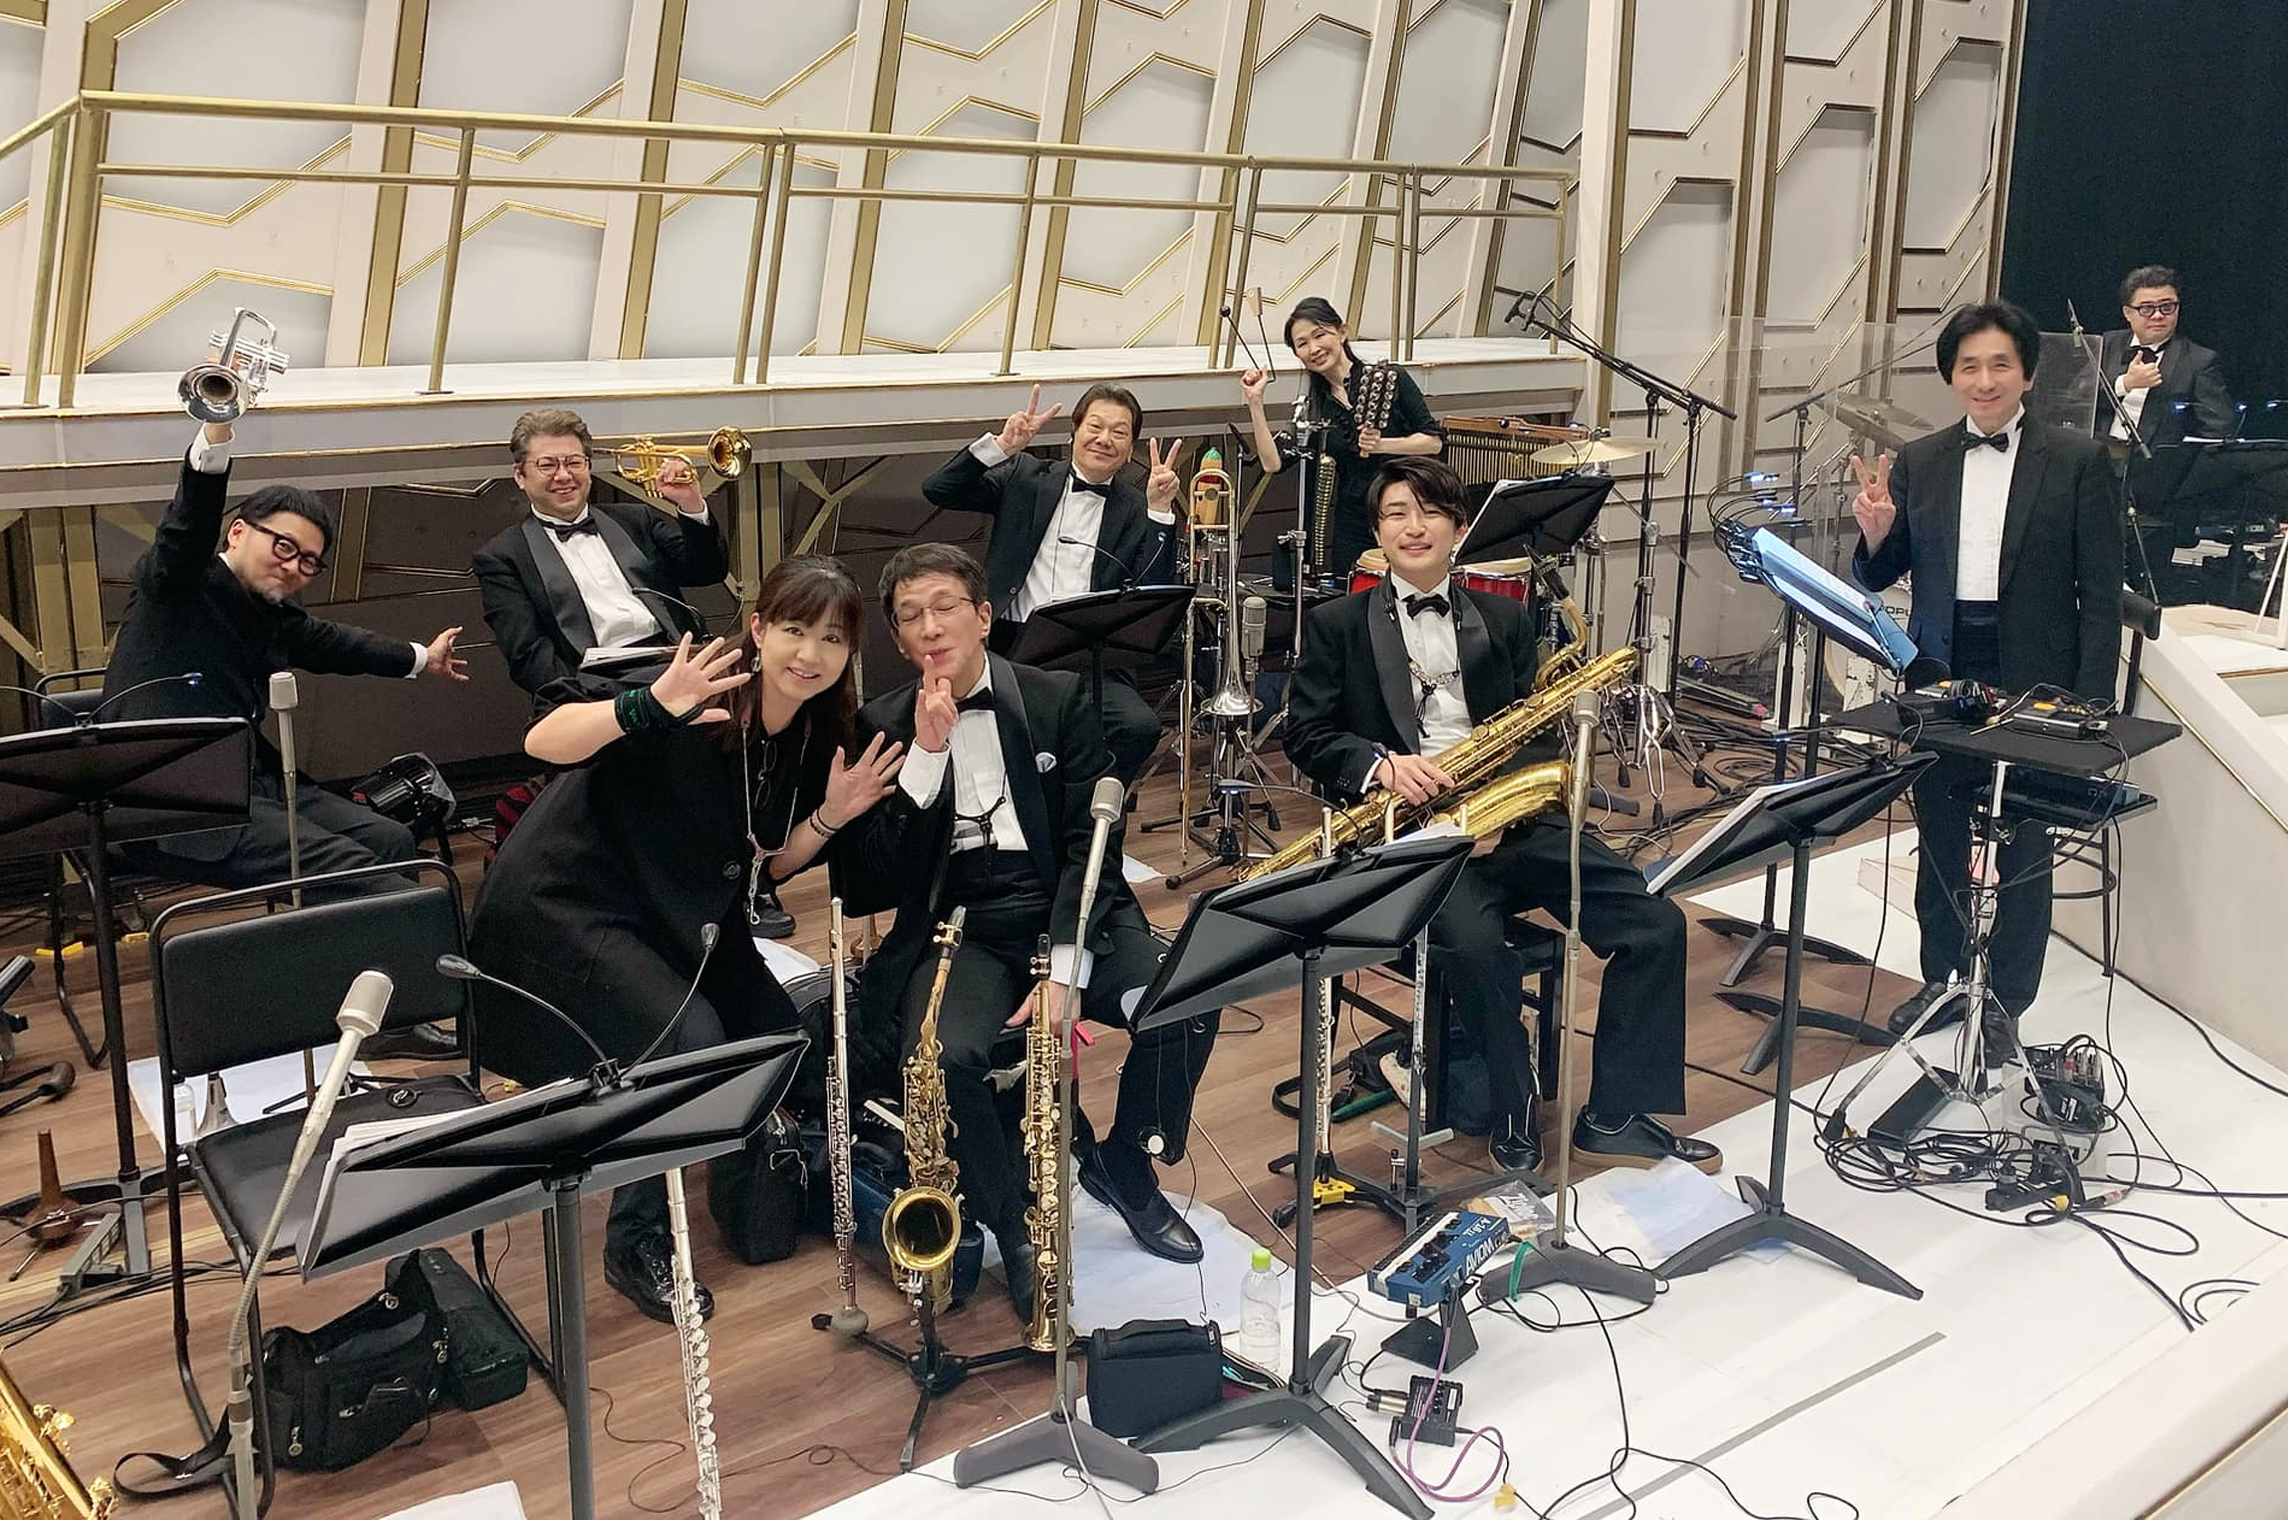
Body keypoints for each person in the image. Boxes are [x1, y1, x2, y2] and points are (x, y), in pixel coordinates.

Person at [467, 556, 904, 1322]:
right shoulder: (694, 683)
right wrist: (647, 706)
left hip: (687, 909)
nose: (809, 654)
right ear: (758, 629)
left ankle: (758, 1171)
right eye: (794, 630)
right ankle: (637, 1241)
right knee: (686, 1042)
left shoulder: (814, 732)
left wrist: (832, 814)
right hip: (574, 901)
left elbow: (769, 865)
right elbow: (545, 740)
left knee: (776, 1040)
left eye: (831, 639)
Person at [1281, 457, 1716, 1178]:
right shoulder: (1338, 624)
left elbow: (1536, 733)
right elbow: (1306, 733)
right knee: (1481, 952)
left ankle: (1613, 1114)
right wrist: (1379, 765)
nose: (1414, 527)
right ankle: (1513, 1111)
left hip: (1511, 819)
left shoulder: (1506, 617)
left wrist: (1503, 812)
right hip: (1414, 834)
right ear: (1377, 533)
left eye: (1430, 512)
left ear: (1458, 528)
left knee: (1656, 924)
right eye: (1396, 513)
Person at [835, 544, 1219, 1321]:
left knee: (1185, 1001)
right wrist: (926, 758)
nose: (930, 627)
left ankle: (1125, 1166)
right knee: (940, 1058)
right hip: (960, 925)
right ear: (898, 640)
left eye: (946, 607)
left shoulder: (1058, 697)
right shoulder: (880, 724)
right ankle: (1010, 1224)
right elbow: (875, 880)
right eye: (910, 617)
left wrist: (1067, 969)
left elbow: (1090, 843)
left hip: (1067, 905)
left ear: (984, 617)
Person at [1850, 302, 2124, 1035]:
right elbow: (1881, 574)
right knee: (1939, 832)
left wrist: (2092, 708)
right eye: (1969, 365)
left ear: (2028, 374)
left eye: (2001, 363)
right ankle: (1938, 980)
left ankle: (2006, 1001)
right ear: (1951, 376)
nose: (1985, 379)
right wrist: (1875, 535)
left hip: (2037, 674)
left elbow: (2100, 597)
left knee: (2026, 841)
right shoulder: (1920, 459)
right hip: (1941, 669)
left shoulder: (2079, 460)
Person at [106, 420, 468, 895]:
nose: (294, 565)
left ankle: (386, 944)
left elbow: (335, 643)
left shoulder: (273, 611)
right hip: (174, 802)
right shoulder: (179, 583)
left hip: (253, 782)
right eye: (283, 546)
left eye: (308, 561)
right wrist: (217, 431)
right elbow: (188, 526)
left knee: (391, 840)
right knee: (356, 869)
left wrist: (422, 657)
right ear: (237, 533)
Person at [469, 408, 794, 932]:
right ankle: (665, 896)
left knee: (758, 720)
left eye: (574, 462)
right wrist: (592, 705)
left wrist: (690, 504)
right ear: (520, 475)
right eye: (548, 464)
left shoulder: (635, 519)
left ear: (589, 466)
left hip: (674, 660)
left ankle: (751, 882)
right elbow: (527, 654)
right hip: (595, 685)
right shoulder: (501, 556)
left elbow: (706, 569)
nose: (564, 475)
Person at [918, 383, 1180, 784]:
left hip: (1089, 657)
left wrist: (1159, 510)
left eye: (1119, 433)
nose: (1104, 439)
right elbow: (938, 489)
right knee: (1004, 734)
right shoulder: (1025, 476)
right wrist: (1001, 447)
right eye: (1095, 426)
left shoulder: (1133, 506)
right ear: (1074, 432)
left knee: (1138, 727)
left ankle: (1090, 810)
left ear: (1130, 450)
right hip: (1011, 649)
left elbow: (1154, 588)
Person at [1239, 296, 1444, 582]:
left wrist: (1382, 445)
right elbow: (1272, 463)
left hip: (1405, 511)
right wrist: (1255, 402)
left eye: (1319, 335)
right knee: (1353, 595)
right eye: (1302, 344)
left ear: (1342, 332)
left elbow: (1433, 442)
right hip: (1353, 520)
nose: (1314, 348)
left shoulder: (1390, 378)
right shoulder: (1315, 408)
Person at [2099, 265, 2234, 448]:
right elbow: (2075, 400)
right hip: (2099, 453)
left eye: (2167, 307)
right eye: (2146, 308)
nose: (2157, 316)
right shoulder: (2106, 343)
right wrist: (2125, 384)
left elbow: (2219, 430)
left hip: (2154, 460)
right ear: (2127, 313)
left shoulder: (2200, 361)